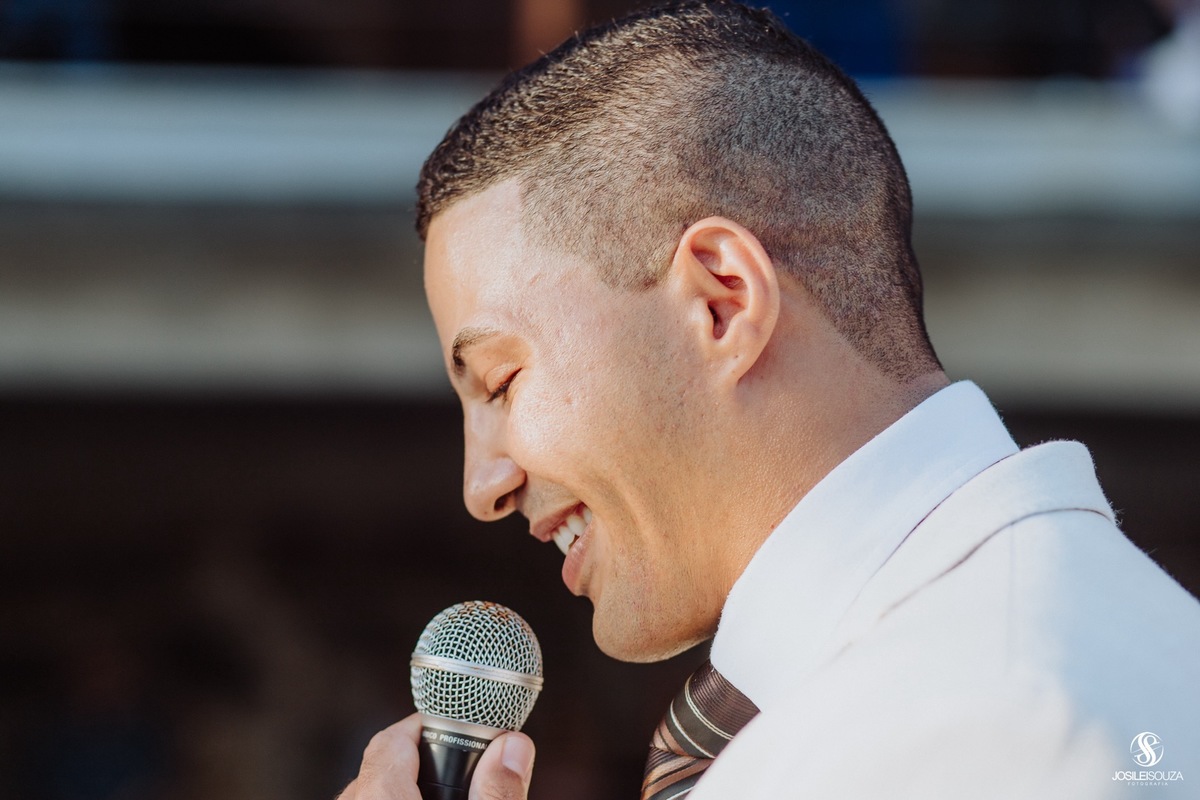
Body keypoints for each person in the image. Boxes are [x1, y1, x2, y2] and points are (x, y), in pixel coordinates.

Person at [337, 2, 1200, 798]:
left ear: (722, 302)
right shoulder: (1049, 654)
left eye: (501, 380)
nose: (480, 487)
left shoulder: (984, 732)